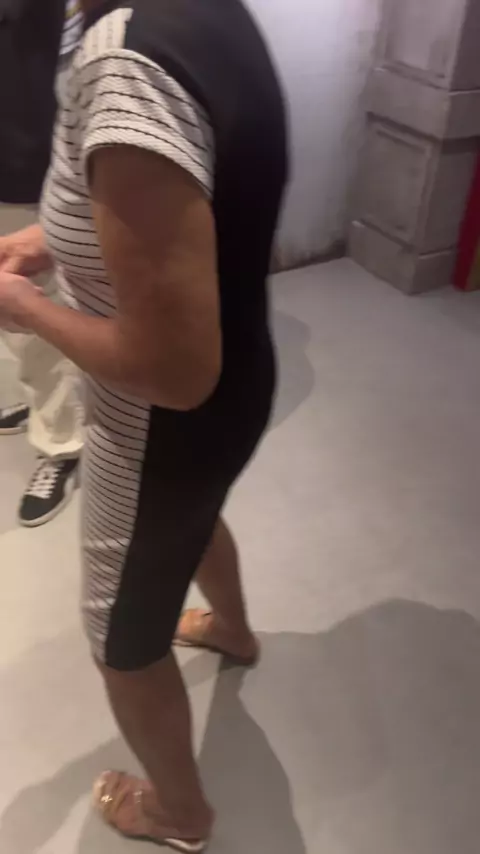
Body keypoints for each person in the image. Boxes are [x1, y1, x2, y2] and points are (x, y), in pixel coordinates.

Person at [0, 0, 288, 849]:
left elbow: (171, 371)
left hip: (158, 425)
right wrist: (57, 239)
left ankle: (179, 813)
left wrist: (24, 307)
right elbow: (186, 191)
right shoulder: (198, 12)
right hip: (241, 378)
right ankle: (232, 630)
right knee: (193, 518)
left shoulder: (122, 63)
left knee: (121, 640)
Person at [0, 0, 83, 526]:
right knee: (15, 322)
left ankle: (61, 443)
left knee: (37, 313)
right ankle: (44, 408)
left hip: (25, 162)